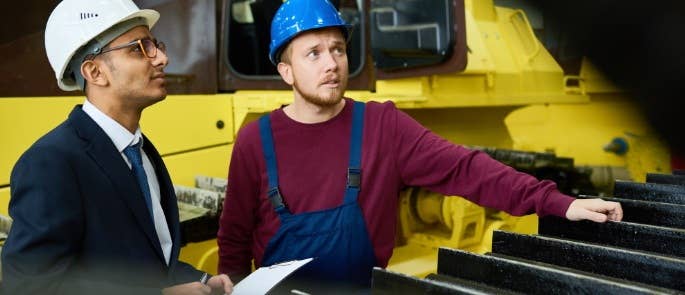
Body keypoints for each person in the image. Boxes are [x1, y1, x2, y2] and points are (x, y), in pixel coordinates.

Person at [217, 0, 623, 292]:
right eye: (314, 53)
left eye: (338, 49)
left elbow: (465, 169)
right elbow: (234, 238)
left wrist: (557, 202)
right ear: (286, 71)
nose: (332, 64)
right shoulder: (256, 140)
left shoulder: (381, 126)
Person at [1, 1, 233, 294]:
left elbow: (153, 260)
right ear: (94, 72)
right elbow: (30, 286)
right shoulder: (51, 163)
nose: (162, 58)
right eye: (139, 48)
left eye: (155, 45)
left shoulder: (141, 151)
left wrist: (202, 280)